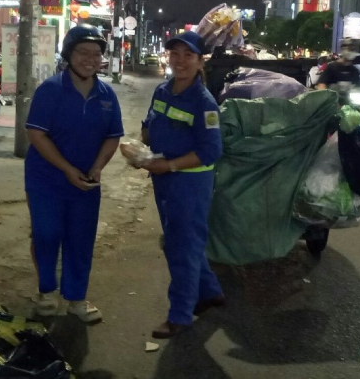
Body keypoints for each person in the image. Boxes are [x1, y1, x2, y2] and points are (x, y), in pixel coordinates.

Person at [24, 25, 123, 322]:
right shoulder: (51, 90)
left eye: (96, 54)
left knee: (81, 238)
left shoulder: (107, 95)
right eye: (83, 52)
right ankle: (45, 292)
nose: (90, 59)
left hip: (86, 184)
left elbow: (113, 136)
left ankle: (77, 298)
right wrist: (67, 169)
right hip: (46, 180)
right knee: (47, 233)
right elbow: (36, 135)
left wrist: (96, 168)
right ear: (69, 54)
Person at [140, 31, 225, 339]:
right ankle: (210, 292)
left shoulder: (204, 103)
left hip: (189, 185)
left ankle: (180, 316)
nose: (181, 61)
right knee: (185, 243)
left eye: (189, 56)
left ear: (201, 62)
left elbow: (211, 150)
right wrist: (142, 144)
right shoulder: (163, 91)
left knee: (181, 247)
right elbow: (149, 125)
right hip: (163, 179)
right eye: (175, 54)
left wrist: (171, 165)